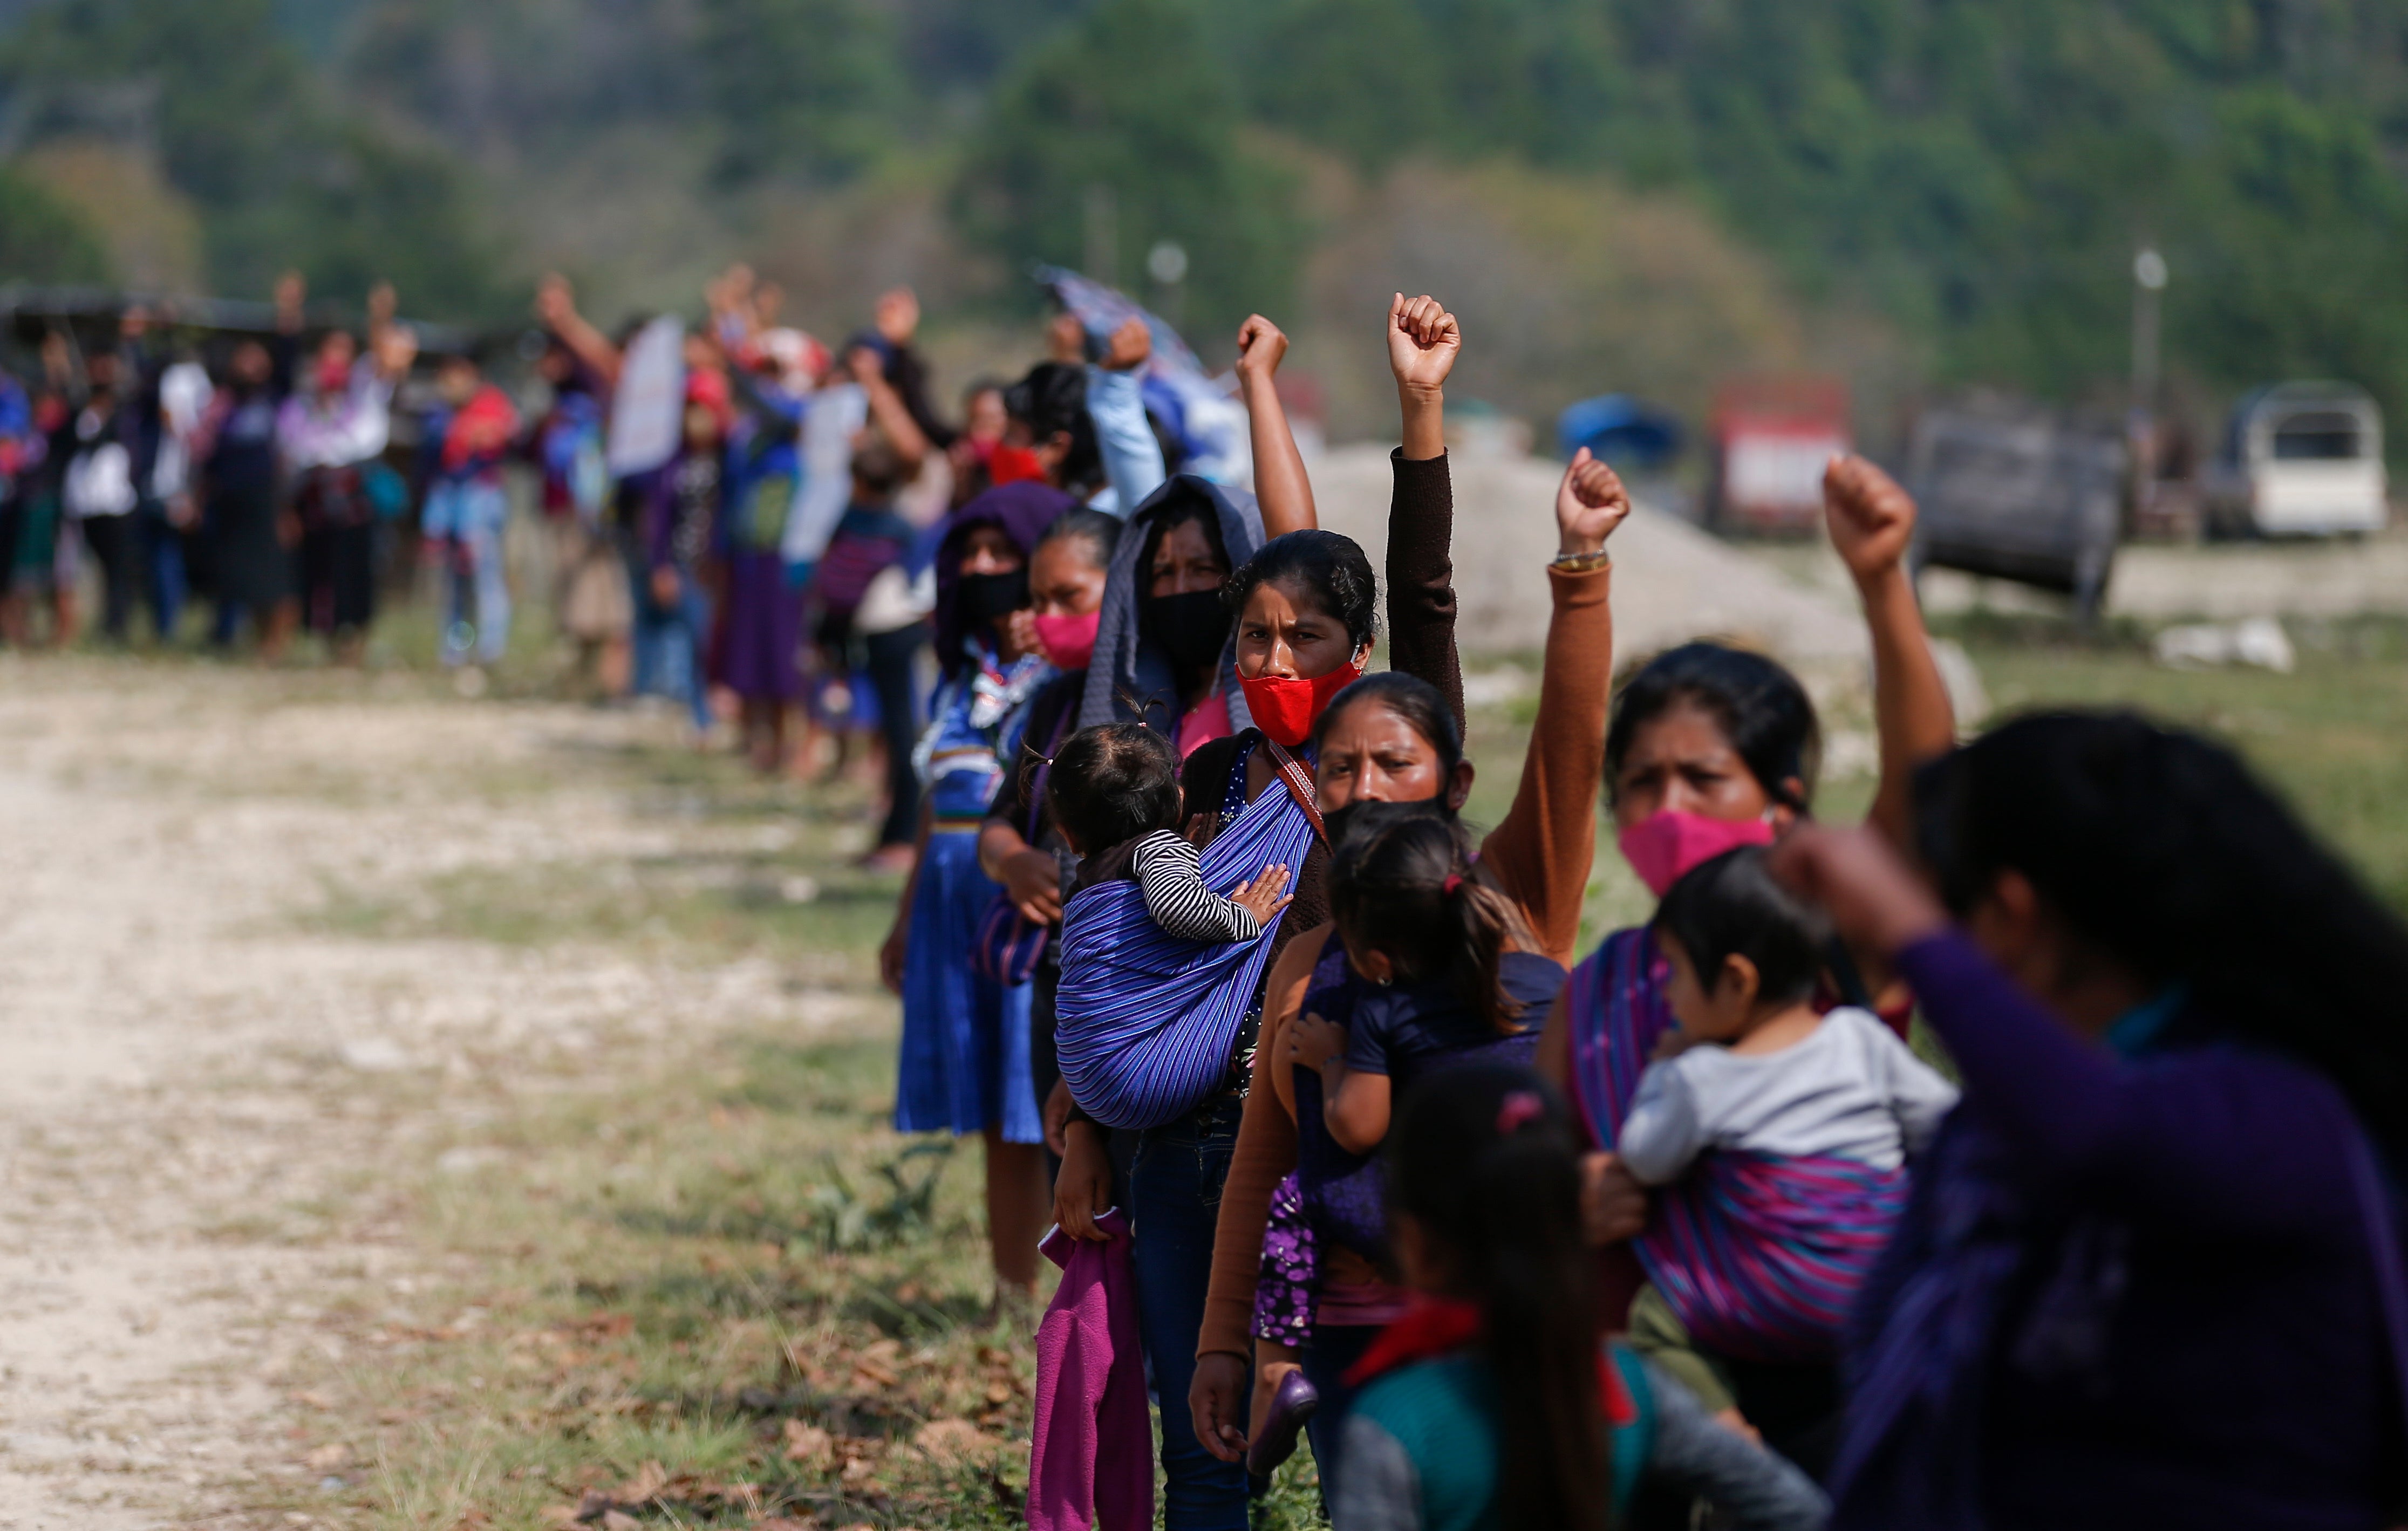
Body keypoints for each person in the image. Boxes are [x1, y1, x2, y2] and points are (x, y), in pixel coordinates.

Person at [1185, 298, 1625, 1494]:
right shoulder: (1306, 952)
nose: (1364, 785)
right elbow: (1260, 1166)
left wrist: (1579, 570)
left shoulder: (1511, 899)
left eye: (1394, 764)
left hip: (1508, 1331)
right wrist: (1229, 1339)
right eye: (1338, 767)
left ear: (1452, 780)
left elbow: (1570, 745)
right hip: (1346, 1345)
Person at [1772, 712, 2408, 1530]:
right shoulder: (1993, 1135)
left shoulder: (2281, 1111)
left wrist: (1907, 931)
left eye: (1949, 918)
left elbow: (2102, 1139)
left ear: (2012, 915)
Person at [1538, 450, 1956, 1475]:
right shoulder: (1598, 995)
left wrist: (1878, 583)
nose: (1667, 809)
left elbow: (1925, 786)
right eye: (1640, 783)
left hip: (1853, 1398)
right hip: (1649, 1413)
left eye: (1702, 778)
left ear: (1782, 800)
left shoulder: (1831, 949)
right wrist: (1568, 1197)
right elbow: (1522, 1168)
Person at [1332, 1062, 1830, 1531]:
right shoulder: (1629, 1388)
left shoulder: (1396, 1423)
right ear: (1575, 1218)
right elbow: (1797, 1510)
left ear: (1413, 1241)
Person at [1619, 845, 1955, 1430]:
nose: (1666, 994)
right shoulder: (1859, 1037)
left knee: (1651, 1319)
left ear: (1735, 981)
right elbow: (1941, 1123)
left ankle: (1726, 1430)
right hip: (1882, 1289)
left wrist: (1661, 1068)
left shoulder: (1700, 1077)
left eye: (1673, 970)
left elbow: (1643, 1158)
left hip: (1777, 1302)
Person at [881, 480, 1079, 1303]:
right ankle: (1010, 1293)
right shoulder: (958, 675)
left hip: (1025, 901)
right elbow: (933, 799)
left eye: (1004, 553)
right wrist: (901, 915)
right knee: (997, 1115)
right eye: (971, 553)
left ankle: (1079, 1293)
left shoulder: (1062, 677)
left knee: (1045, 1104)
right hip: (950, 906)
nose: (984, 567)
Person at [1048, 721, 1294, 943]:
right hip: (1138, 993)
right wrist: (1245, 917)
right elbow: (1178, 909)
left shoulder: (1084, 881)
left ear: (1068, 835)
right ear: (1179, 800)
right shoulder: (1159, 850)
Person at [279, 280, 414, 659]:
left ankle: (354, 639)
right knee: (317, 570)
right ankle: (322, 637)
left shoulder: (363, 392)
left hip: (354, 488)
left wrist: (380, 317)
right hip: (315, 493)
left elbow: (383, 358)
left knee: (356, 569)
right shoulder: (304, 403)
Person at [198, 276, 304, 655]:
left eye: (256, 356)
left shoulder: (273, 397)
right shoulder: (224, 408)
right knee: (238, 577)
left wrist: (288, 311)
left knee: (274, 576)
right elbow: (209, 458)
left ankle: (277, 642)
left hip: (265, 498)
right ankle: (250, 639)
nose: (249, 363)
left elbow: (289, 354)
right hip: (231, 500)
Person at [634, 370, 731, 733]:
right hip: (685, 563)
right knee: (696, 638)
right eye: (691, 408)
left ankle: (725, 708)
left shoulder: (729, 455)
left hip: (721, 566)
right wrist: (660, 565)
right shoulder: (672, 460)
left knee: (721, 640)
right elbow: (659, 518)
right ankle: (701, 714)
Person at [420, 352, 522, 671]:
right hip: (449, 504)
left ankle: (492, 650)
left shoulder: (493, 403)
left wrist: (478, 433)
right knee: (454, 584)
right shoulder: (438, 414)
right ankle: (457, 648)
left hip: (481, 501)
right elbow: (437, 449)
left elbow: (506, 435)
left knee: (486, 577)